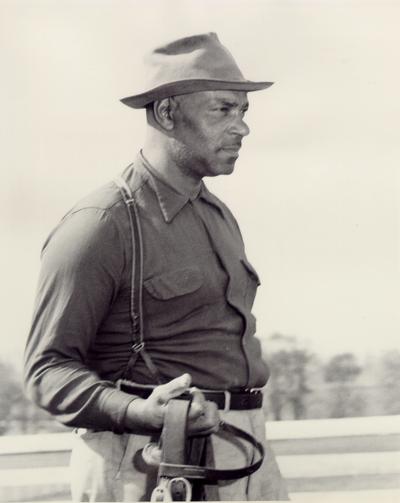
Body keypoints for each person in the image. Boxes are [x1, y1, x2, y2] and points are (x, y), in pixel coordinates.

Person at [24, 32, 289, 501]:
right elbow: (47, 369)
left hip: (244, 452)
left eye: (243, 112)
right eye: (223, 110)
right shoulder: (101, 224)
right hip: (148, 463)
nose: (242, 127)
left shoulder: (217, 214)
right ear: (168, 113)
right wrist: (137, 411)